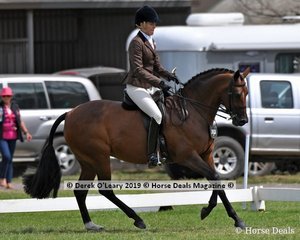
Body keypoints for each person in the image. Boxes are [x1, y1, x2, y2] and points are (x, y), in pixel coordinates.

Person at [124, 5, 179, 168]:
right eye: (151, 23)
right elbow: (138, 70)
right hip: (137, 87)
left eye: (155, 23)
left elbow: (157, 67)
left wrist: (169, 76)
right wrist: (160, 83)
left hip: (150, 86)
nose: (154, 25)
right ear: (140, 24)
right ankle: (151, 155)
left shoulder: (151, 41)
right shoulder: (136, 42)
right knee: (157, 115)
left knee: (171, 107)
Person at [0, 87, 32, 189]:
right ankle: (2, 178)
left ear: (11, 96)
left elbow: (20, 121)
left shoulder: (15, 107)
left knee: (10, 159)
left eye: (8, 96)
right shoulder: (0, 107)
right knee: (6, 156)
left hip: (13, 136)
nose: (6, 97)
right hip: (2, 136)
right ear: (1, 97)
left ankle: (9, 182)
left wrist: (26, 132)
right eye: (4, 96)